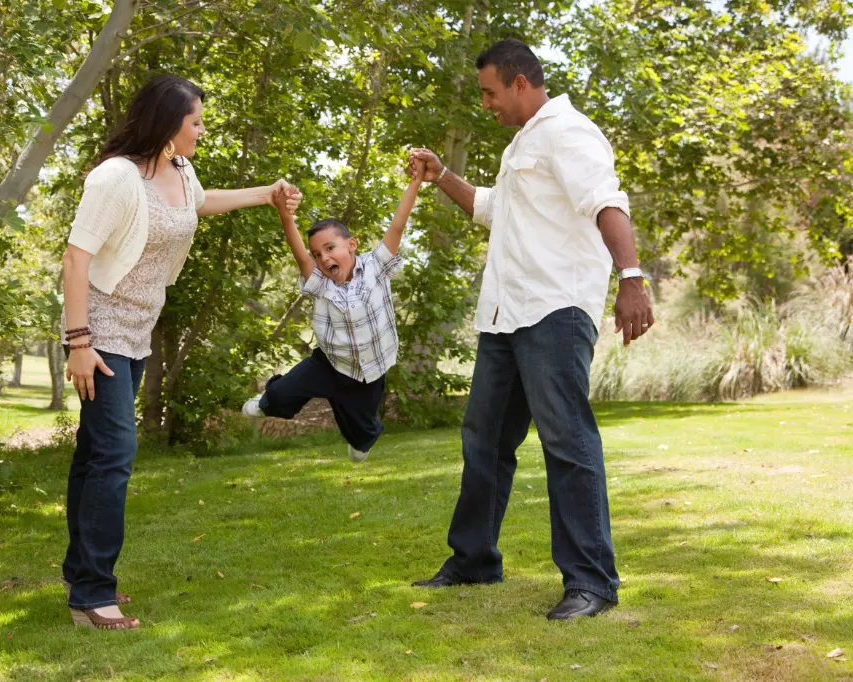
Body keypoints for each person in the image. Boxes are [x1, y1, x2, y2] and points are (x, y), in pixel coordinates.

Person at [408, 39, 654, 620]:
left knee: (567, 442)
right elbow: (490, 208)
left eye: (491, 92)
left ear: (520, 83)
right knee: (485, 442)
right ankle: (473, 559)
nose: (487, 104)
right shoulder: (523, 144)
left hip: (553, 313)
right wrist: (442, 175)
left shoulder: (567, 132)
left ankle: (592, 582)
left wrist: (632, 278)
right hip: (505, 316)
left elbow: (606, 202)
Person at [60, 74, 301, 629]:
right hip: (98, 332)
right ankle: (94, 595)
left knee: (94, 453)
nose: (201, 130)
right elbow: (76, 259)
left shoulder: (179, 170)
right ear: (168, 122)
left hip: (139, 328)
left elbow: (201, 201)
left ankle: (79, 572)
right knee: (116, 455)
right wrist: (78, 343)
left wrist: (267, 193)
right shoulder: (115, 178)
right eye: (195, 121)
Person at [240, 159, 427, 461]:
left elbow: (398, 224)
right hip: (328, 363)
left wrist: (415, 182)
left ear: (351, 245)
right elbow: (299, 254)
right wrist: (285, 216)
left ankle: (360, 440)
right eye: (318, 253)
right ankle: (265, 402)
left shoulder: (376, 266)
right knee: (281, 395)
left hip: (369, 370)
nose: (323, 257)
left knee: (362, 431)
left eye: (330, 248)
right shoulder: (319, 282)